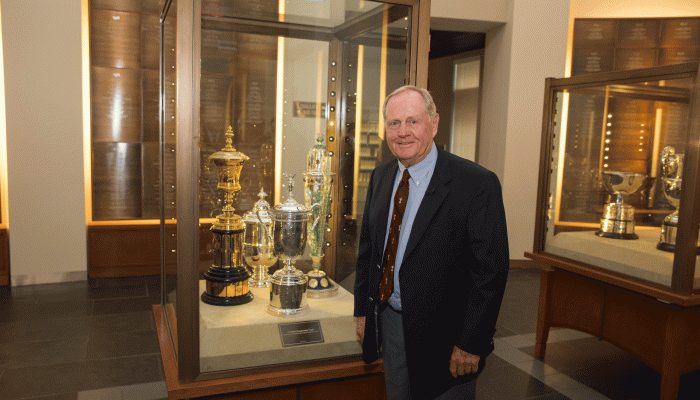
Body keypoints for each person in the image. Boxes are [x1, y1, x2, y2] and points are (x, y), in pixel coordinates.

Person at [354, 85, 509, 400]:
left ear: (434, 124)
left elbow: (490, 273)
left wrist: (471, 343)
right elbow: (369, 252)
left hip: (447, 340)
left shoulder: (476, 184)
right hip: (391, 324)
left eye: (413, 121)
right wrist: (363, 311)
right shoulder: (381, 177)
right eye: (394, 123)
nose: (403, 132)